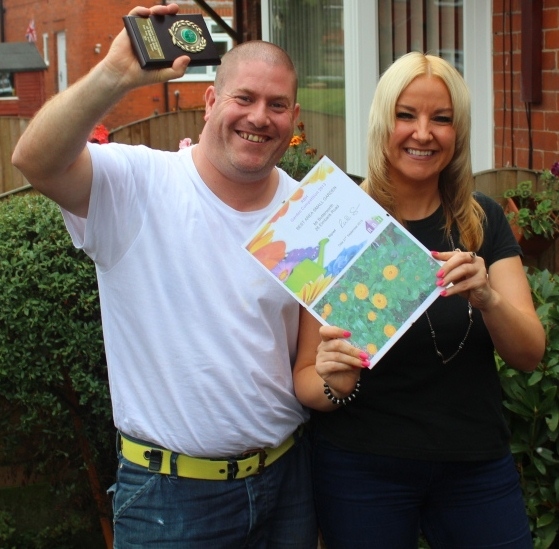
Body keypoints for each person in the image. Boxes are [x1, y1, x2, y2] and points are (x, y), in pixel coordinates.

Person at [12, 4, 317, 547]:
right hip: (170, 499)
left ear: (294, 117)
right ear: (210, 101)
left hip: (286, 483)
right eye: (243, 98)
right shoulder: (138, 184)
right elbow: (36, 161)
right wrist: (116, 74)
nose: (259, 117)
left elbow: (316, 355)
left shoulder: (306, 214)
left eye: (277, 105)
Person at [293, 52, 546, 548]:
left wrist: (488, 298)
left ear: (459, 132)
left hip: (475, 468)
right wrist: (336, 383)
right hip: (361, 471)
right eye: (406, 115)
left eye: (442, 119)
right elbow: (306, 377)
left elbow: (530, 352)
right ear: (382, 121)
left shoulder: (482, 220)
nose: (423, 133)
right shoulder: (339, 222)